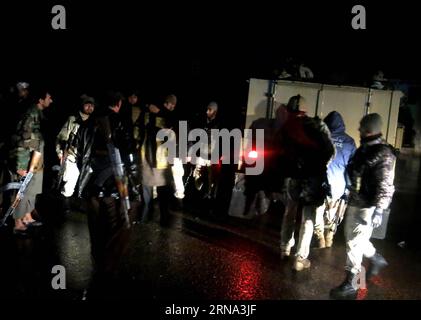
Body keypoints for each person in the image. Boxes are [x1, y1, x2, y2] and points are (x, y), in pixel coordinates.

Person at [330, 113, 396, 299]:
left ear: (369, 130)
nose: (358, 129)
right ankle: (376, 259)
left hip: (366, 207)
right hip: (357, 201)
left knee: (353, 243)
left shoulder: (383, 154)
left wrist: (379, 210)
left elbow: (385, 185)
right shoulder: (366, 149)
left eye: (361, 127)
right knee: (357, 240)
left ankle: (353, 284)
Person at [278, 95, 334, 271]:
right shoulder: (319, 126)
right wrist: (318, 167)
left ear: (289, 109)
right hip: (313, 180)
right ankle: (300, 258)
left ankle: (284, 248)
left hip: (293, 178)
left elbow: (280, 154)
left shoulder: (286, 127)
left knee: (289, 212)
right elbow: (330, 152)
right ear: (305, 109)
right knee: (308, 218)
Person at [84, 91, 136, 277]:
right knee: (117, 222)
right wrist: (133, 172)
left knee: (95, 223)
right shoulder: (119, 121)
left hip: (91, 180)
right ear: (119, 104)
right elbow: (128, 150)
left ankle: (98, 259)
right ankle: (107, 266)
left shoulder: (89, 122)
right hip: (113, 180)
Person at [8, 87, 53, 235]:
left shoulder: (39, 114)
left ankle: (26, 216)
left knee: (31, 189)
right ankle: (17, 222)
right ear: (40, 100)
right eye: (48, 97)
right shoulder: (31, 114)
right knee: (21, 189)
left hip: (35, 157)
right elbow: (23, 139)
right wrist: (20, 165)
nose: (51, 100)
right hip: (26, 157)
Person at [313, 111, 356, 248]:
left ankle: (319, 237)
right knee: (336, 211)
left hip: (322, 183)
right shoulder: (349, 141)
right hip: (339, 185)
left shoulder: (321, 138)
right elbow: (353, 167)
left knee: (318, 210)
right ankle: (330, 236)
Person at [136, 94, 177, 225]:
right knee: (150, 188)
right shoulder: (149, 113)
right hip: (151, 156)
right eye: (171, 104)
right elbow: (139, 129)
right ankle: (148, 215)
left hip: (158, 158)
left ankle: (160, 217)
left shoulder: (165, 115)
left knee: (160, 188)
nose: (171, 107)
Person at [55, 94, 95, 213]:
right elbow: (61, 137)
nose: (89, 107)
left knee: (84, 180)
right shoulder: (73, 119)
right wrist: (60, 154)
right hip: (73, 154)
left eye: (92, 105)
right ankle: (65, 203)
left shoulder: (94, 121)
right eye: (87, 104)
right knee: (71, 178)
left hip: (87, 157)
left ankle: (78, 202)